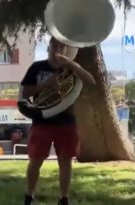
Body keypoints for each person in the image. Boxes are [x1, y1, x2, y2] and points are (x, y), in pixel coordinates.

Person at [21, 37, 96, 205]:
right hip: (42, 121)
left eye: (62, 46)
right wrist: (45, 85)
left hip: (66, 122)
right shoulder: (37, 67)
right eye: (54, 45)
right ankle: (29, 196)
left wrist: (74, 65)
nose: (58, 49)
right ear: (48, 47)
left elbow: (91, 81)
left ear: (65, 50)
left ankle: (63, 198)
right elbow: (25, 94)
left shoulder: (71, 69)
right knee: (35, 161)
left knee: (65, 162)